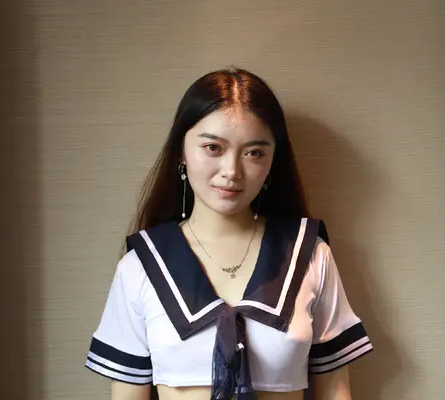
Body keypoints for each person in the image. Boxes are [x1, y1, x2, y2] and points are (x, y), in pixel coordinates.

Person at [84, 67, 373, 400]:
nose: (232, 171)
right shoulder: (142, 266)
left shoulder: (309, 255)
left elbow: (335, 390)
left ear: (272, 162)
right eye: (213, 147)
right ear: (181, 152)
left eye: (254, 153)